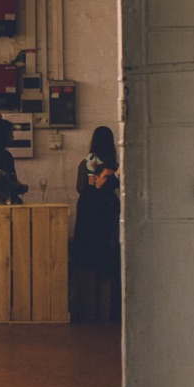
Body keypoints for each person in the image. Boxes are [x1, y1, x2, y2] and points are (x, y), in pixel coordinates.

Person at [70, 126, 121, 322]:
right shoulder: (112, 163)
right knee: (107, 259)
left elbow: (80, 187)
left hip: (88, 212)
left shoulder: (88, 162)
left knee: (87, 261)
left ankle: (87, 309)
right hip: (107, 211)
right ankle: (108, 310)